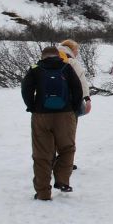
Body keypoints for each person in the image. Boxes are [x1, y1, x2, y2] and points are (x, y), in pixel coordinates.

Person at [21, 45, 84, 200]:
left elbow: (26, 89)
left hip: (41, 115)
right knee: (67, 149)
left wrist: (32, 106)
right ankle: (62, 180)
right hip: (65, 115)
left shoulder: (35, 69)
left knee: (42, 154)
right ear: (58, 55)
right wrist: (74, 108)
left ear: (43, 56)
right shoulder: (66, 67)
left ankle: (43, 192)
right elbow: (78, 89)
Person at [56, 38, 91, 171]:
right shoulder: (71, 62)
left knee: (53, 134)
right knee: (68, 135)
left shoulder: (47, 60)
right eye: (77, 50)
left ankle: (52, 160)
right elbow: (82, 82)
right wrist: (87, 99)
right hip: (69, 105)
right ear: (71, 49)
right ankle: (66, 162)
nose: (77, 53)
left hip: (47, 106)